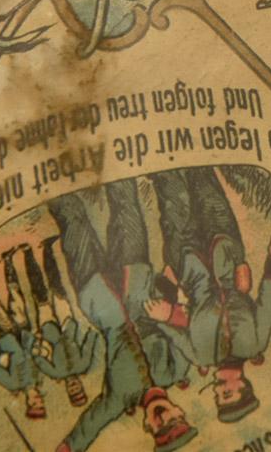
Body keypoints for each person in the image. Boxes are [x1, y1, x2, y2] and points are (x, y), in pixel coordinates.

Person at [49, 179, 197, 452]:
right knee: (126, 202)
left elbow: (90, 424)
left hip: (97, 295)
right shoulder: (176, 370)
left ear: (148, 428)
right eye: (174, 421)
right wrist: (170, 310)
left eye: (161, 429)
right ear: (180, 411)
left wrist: (67, 449)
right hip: (137, 278)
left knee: (71, 220)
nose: (164, 418)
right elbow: (188, 330)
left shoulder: (119, 398)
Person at [146, 166, 271, 424]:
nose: (217, 391)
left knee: (172, 197)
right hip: (226, 251)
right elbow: (269, 304)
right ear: (243, 385)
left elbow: (170, 326)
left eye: (217, 397)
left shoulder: (198, 356)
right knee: (205, 185)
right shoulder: (255, 344)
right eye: (227, 394)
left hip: (187, 264)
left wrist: (165, 305)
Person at [0, 250, 46, 420]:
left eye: (36, 404)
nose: (39, 400)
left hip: (6, 335)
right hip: (24, 332)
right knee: (16, 295)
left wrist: (1, 349)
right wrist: (36, 342)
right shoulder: (39, 379)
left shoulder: (13, 384)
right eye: (41, 403)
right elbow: (35, 354)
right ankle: (8, 260)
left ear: (29, 403)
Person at [24, 239, 97, 408]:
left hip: (48, 329)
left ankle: (27, 253)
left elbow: (37, 357)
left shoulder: (54, 373)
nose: (74, 386)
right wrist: (91, 328)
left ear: (67, 390)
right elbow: (90, 340)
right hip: (67, 324)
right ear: (82, 385)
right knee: (56, 286)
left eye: (72, 390)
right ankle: (47, 248)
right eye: (78, 388)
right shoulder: (83, 364)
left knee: (40, 294)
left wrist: (38, 343)